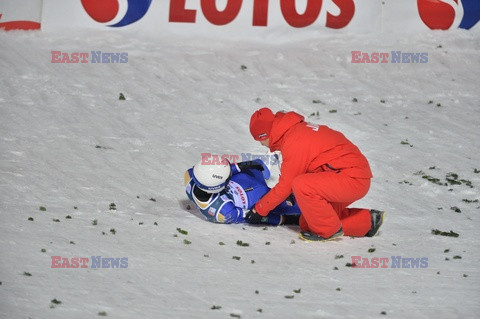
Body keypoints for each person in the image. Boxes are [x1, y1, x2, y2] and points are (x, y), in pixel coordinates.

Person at [245, 107, 384, 241]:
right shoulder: (294, 131)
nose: (262, 144)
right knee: (308, 224)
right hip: (347, 174)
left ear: (265, 134)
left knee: (301, 185)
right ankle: (368, 222)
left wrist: (259, 210)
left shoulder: (294, 141)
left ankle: (328, 232)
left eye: (260, 140)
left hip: (353, 178)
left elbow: (286, 186)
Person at [184, 158, 300, 225]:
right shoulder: (224, 212)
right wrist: (283, 220)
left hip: (242, 180)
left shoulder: (190, 175)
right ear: (217, 187)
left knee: (257, 165)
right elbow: (254, 216)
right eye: (227, 177)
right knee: (298, 205)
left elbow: (218, 171)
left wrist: (241, 166)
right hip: (259, 198)